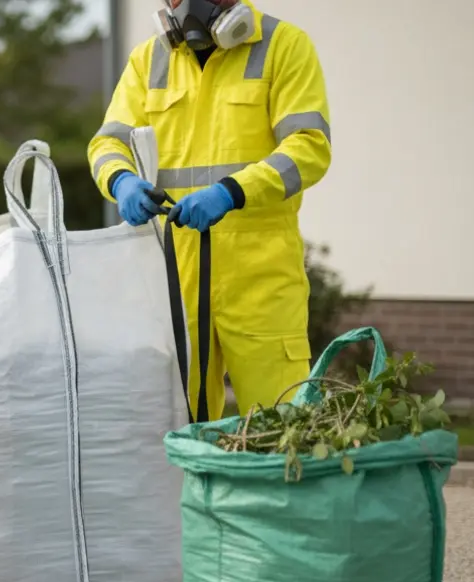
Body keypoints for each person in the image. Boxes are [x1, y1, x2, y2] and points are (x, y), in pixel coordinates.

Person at [88, 0, 331, 422]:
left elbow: (309, 148)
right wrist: (121, 180)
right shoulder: (149, 59)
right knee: (176, 432)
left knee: (280, 431)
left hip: (262, 280)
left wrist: (232, 192)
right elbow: (107, 144)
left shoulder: (282, 46)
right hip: (173, 277)